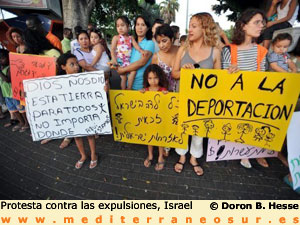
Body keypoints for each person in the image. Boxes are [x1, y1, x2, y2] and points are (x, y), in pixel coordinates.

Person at [172, 12, 221, 176]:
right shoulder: (183, 49)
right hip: (182, 97)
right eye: (189, 26)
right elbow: (174, 74)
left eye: (194, 26)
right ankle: (181, 155)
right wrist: (184, 72)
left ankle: (194, 157)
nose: (189, 29)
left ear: (205, 28)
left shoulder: (215, 52)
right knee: (182, 128)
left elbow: (218, 80)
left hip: (203, 101)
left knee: (198, 130)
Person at [221, 8, 270, 169]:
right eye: (256, 22)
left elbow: (263, 79)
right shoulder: (229, 50)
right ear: (243, 26)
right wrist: (229, 73)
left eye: (262, 22)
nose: (261, 26)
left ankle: (251, 152)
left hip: (253, 101)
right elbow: (222, 81)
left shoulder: (262, 52)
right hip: (234, 102)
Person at [57, 53, 102, 169]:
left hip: (85, 111)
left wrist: (103, 89)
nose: (76, 66)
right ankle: (83, 155)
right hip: (71, 113)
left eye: (77, 63)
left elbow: (95, 92)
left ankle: (93, 154)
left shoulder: (85, 79)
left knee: (90, 134)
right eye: (72, 64)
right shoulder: (58, 82)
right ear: (63, 67)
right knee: (77, 136)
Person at [141, 64, 168, 171]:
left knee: (160, 139)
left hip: (160, 120)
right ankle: (151, 155)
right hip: (149, 120)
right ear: (147, 79)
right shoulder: (145, 91)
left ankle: (161, 156)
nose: (153, 81)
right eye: (150, 78)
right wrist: (140, 94)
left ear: (160, 78)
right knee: (150, 138)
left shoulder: (163, 90)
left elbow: (167, 104)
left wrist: (167, 95)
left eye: (155, 78)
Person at [116, 16, 155, 90]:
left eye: (143, 25)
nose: (140, 28)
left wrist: (123, 70)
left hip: (140, 87)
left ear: (147, 28)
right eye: (137, 24)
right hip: (126, 85)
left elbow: (142, 62)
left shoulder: (149, 43)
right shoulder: (131, 43)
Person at [110, 16, 146, 89]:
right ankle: (123, 91)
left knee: (133, 72)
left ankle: (129, 88)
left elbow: (136, 46)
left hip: (128, 62)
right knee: (123, 77)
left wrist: (141, 51)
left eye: (122, 25)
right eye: (118, 26)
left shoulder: (131, 38)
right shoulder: (116, 38)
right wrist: (114, 59)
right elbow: (113, 49)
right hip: (119, 61)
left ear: (128, 26)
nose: (120, 28)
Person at [0, 49, 29, 132]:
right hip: (7, 94)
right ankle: (21, 122)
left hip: (15, 94)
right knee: (14, 110)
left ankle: (26, 122)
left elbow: (7, 80)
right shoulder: (2, 68)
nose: (0, 60)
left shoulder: (10, 68)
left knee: (21, 109)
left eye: (2, 58)